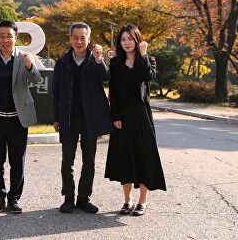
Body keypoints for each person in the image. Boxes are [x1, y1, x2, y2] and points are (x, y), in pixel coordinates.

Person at [105, 24, 166, 216]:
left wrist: (143, 54)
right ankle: (127, 200)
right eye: (123, 39)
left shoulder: (148, 60)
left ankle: (142, 201)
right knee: (125, 157)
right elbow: (113, 91)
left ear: (137, 40)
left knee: (143, 155)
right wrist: (115, 116)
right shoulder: (116, 63)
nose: (126, 43)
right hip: (122, 114)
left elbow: (148, 76)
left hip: (141, 113)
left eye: (130, 39)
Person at [52, 21, 112, 214]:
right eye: (75, 37)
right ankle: (68, 198)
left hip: (90, 118)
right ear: (70, 39)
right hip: (68, 118)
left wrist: (99, 59)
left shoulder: (95, 60)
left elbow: (106, 77)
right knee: (67, 161)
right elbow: (56, 92)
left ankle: (84, 198)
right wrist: (56, 118)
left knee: (89, 161)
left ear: (89, 39)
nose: (79, 41)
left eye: (83, 38)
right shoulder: (62, 62)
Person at [0, 20, 41, 213]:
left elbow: (36, 79)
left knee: (17, 161)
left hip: (18, 119)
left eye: (9, 36)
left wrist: (30, 66)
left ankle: (14, 198)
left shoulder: (24, 58)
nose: (5, 40)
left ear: (16, 37)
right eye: (1, 36)